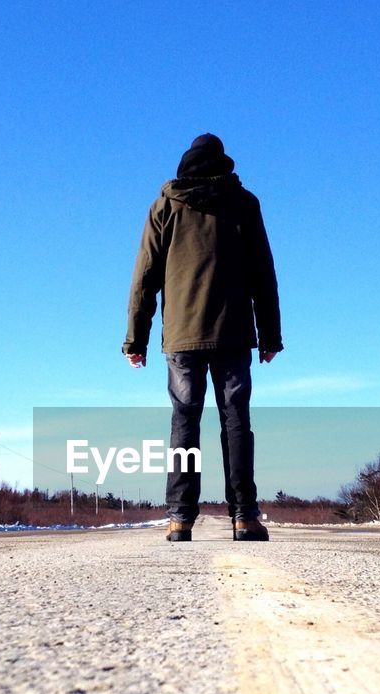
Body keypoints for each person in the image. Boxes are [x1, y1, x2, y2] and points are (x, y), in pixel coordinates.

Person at [123, 133, 282, 543]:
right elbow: (263, 274)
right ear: (222, 163)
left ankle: (179, 519)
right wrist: (270, 334)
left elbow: (145, 277)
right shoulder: (244, 204)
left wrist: (135, 339)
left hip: (181, 337)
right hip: (232, 333)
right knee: (236, 421)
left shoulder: (165, 207)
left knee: (184, 422)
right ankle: (244, 516)